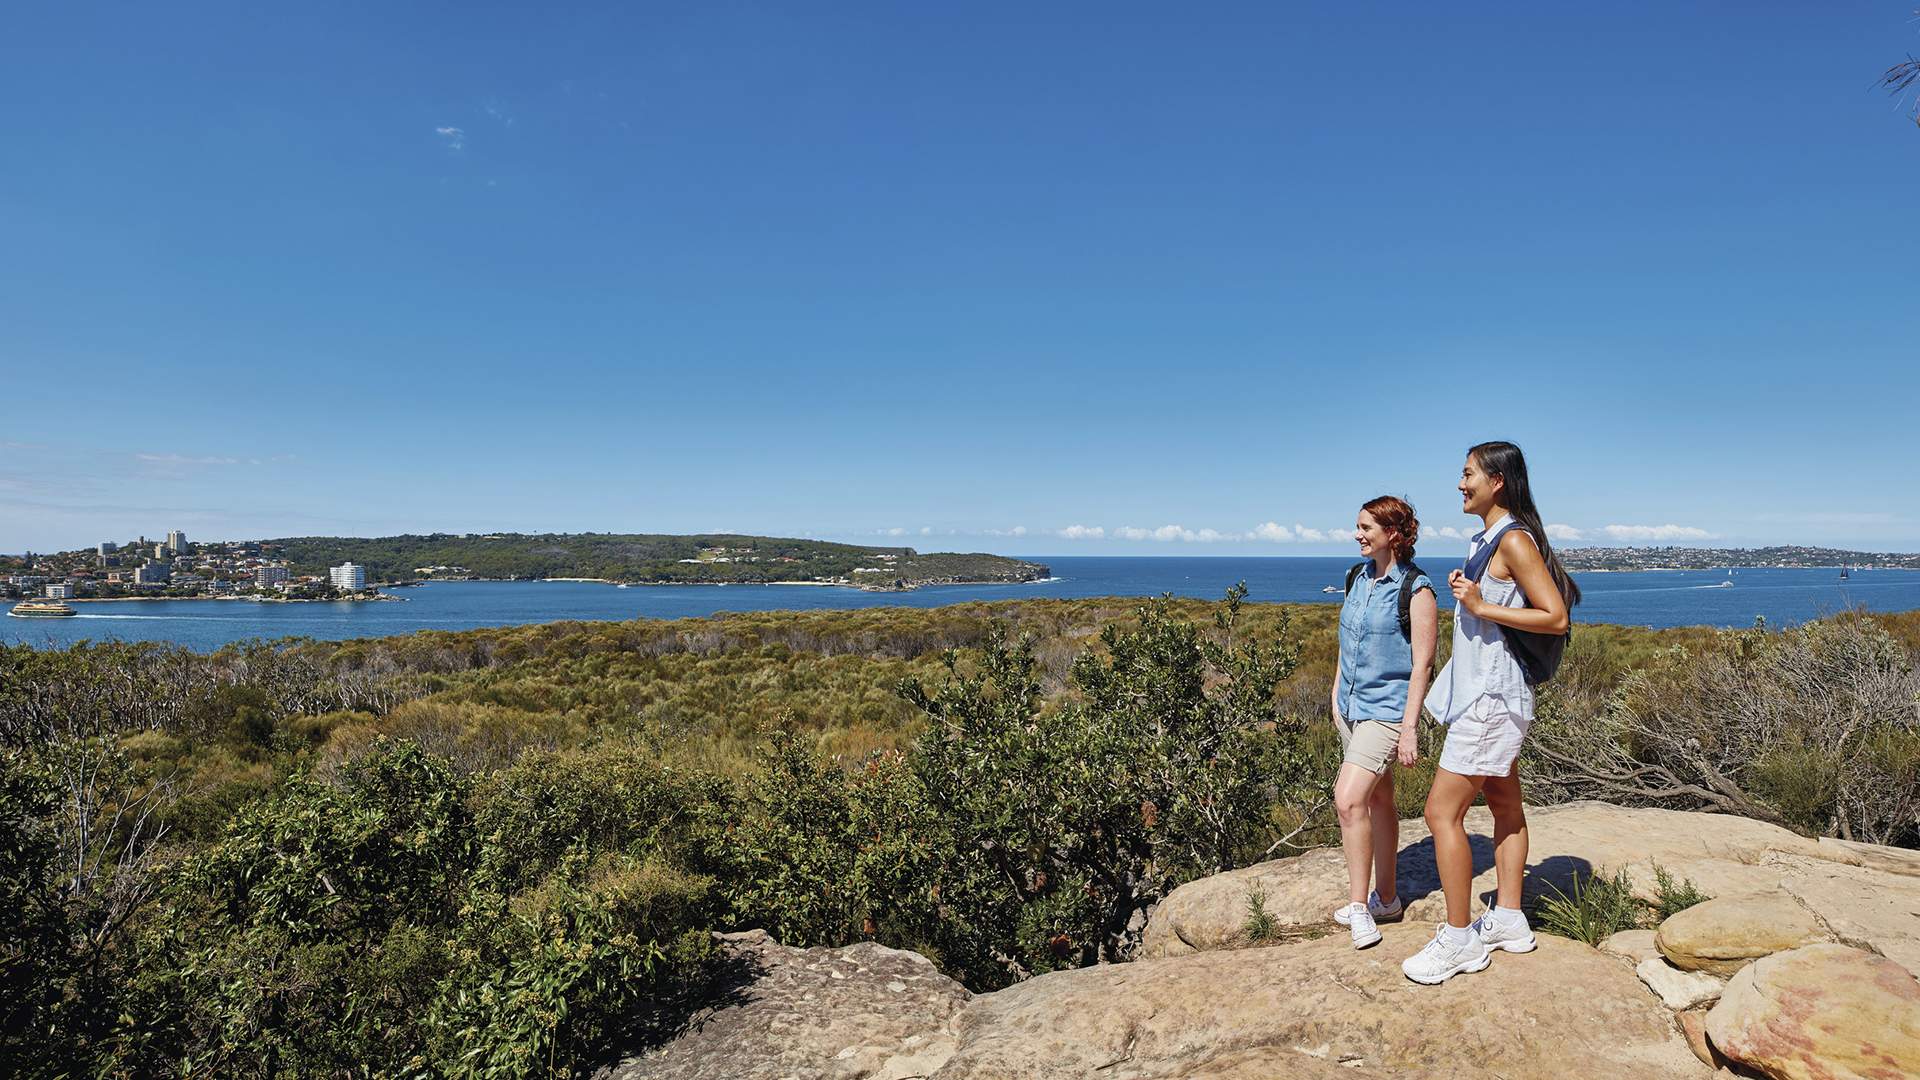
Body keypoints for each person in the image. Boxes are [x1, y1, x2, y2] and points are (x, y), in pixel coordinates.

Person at [1402, 440, 1579, 985]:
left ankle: (1460, 941)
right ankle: (1508, 918)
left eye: (1467, 474)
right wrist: (1474, 597)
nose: (1460, 484)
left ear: (1496, 480)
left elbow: (1555, 618)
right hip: (1493, 696)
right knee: (1503, 803)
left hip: (1492, 700)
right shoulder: (1486, 540)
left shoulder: (1514, 539)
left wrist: (1479, 605)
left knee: (1441, 813)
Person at [1330, 496, 1437, 949]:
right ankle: (1387, 898)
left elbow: (1423, 664)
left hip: (1387, 712)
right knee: (1379, 799)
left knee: (1348, 800)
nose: (1357, 534)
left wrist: (1409, 727)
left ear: (1393, 533)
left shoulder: (1417, 589)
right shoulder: (1357, 577)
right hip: (1350, 708)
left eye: (1366, 527)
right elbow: (1345, 642)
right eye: (1357, 526)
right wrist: (1335, 696)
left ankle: (1359, 907)